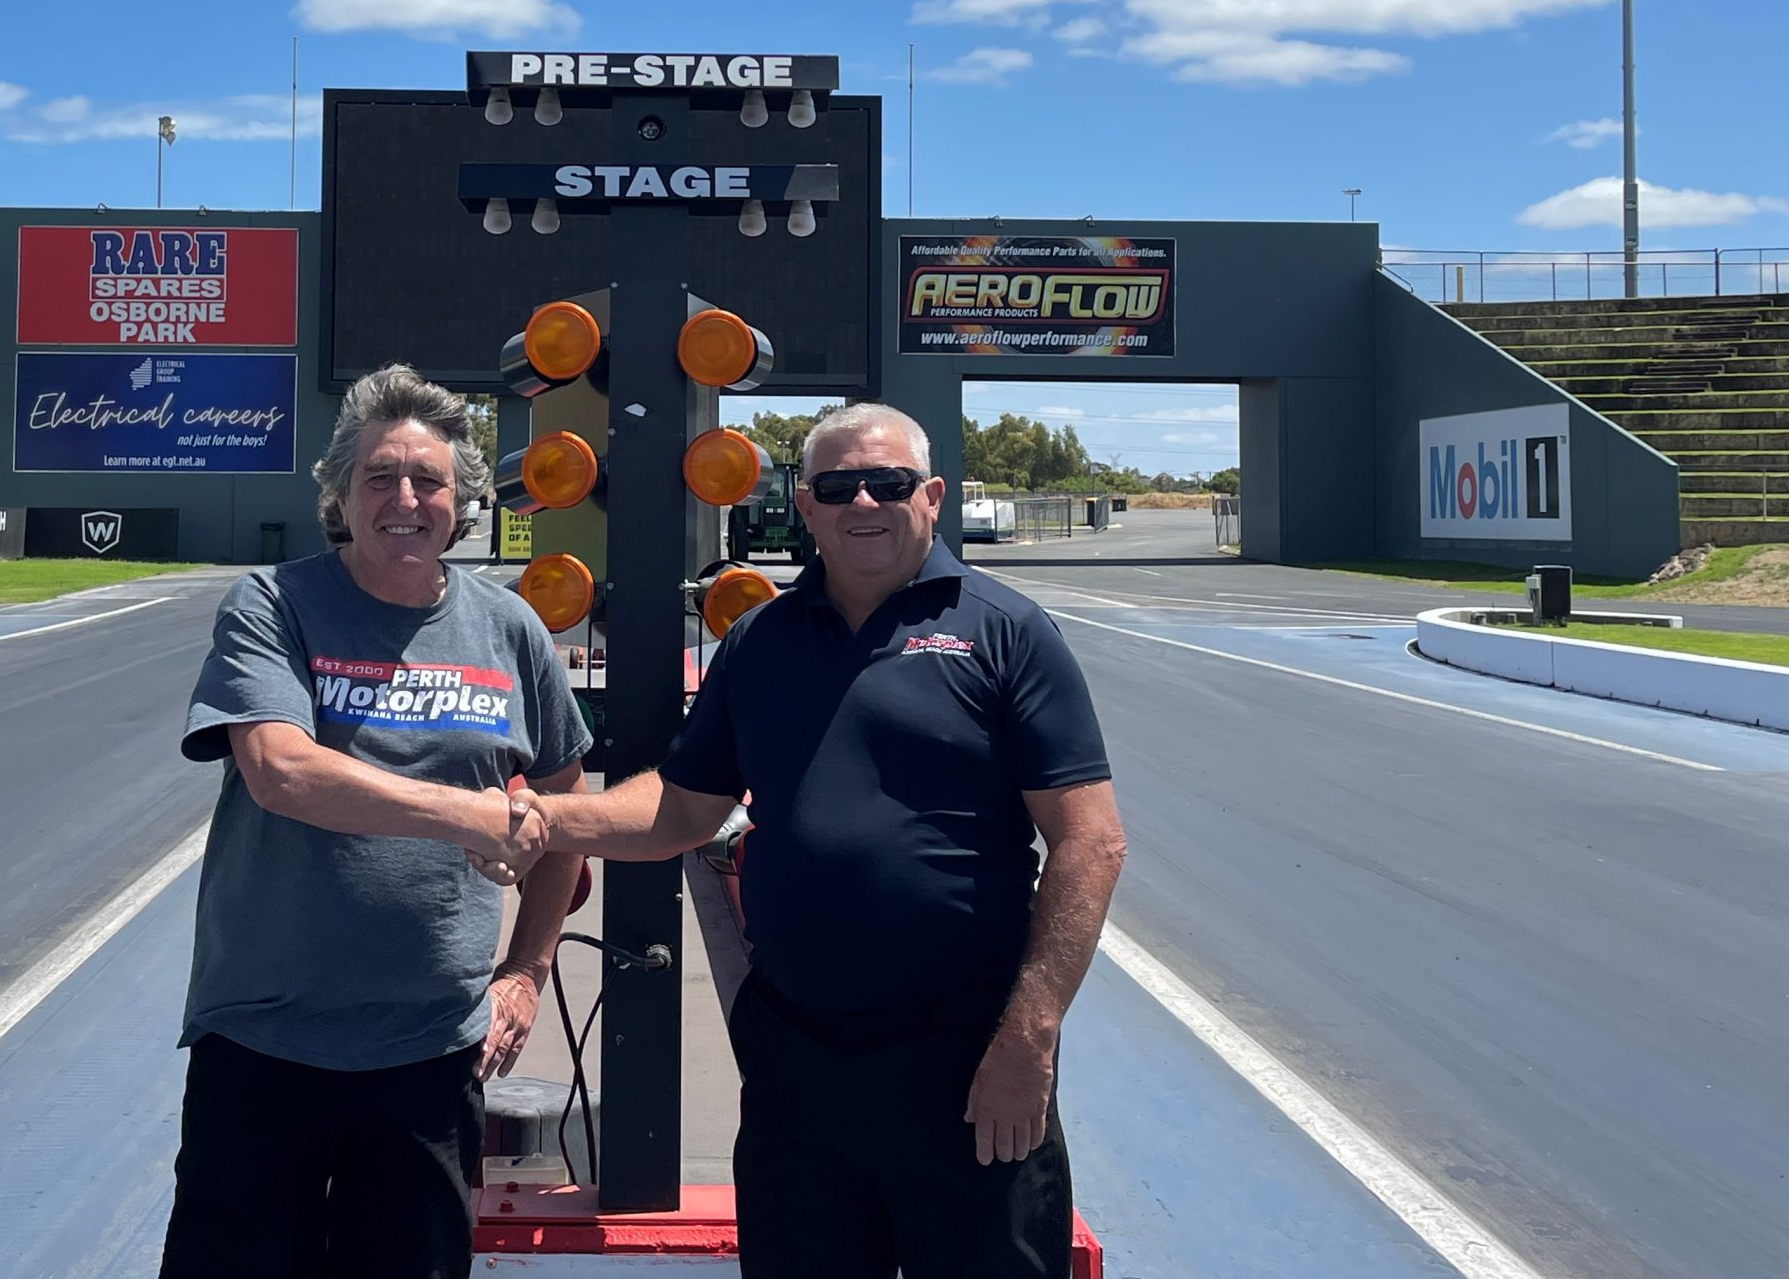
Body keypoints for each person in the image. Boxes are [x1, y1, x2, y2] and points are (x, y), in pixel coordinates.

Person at [521, 402, 1124, 1279]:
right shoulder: (761, 640)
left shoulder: (1007, 631)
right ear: (805, 507)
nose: (864, 503)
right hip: (799, 1062)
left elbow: (1090, 845)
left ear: (934, 496)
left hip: (969, 1059)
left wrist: (1027, 1040)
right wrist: (542, 818)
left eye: (889, 483)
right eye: (838, 487)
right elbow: (682, 811)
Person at [161, 365, 591, 1279]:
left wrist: (525, 971)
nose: (406, 499)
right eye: (379, 478)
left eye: (428, 480)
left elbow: (566, 818)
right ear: (340, 497)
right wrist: (474, 816)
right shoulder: (275, 605)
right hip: (264, 1039)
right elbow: (282, 773)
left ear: (462, 500)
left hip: (431, 1052)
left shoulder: (512, 629)